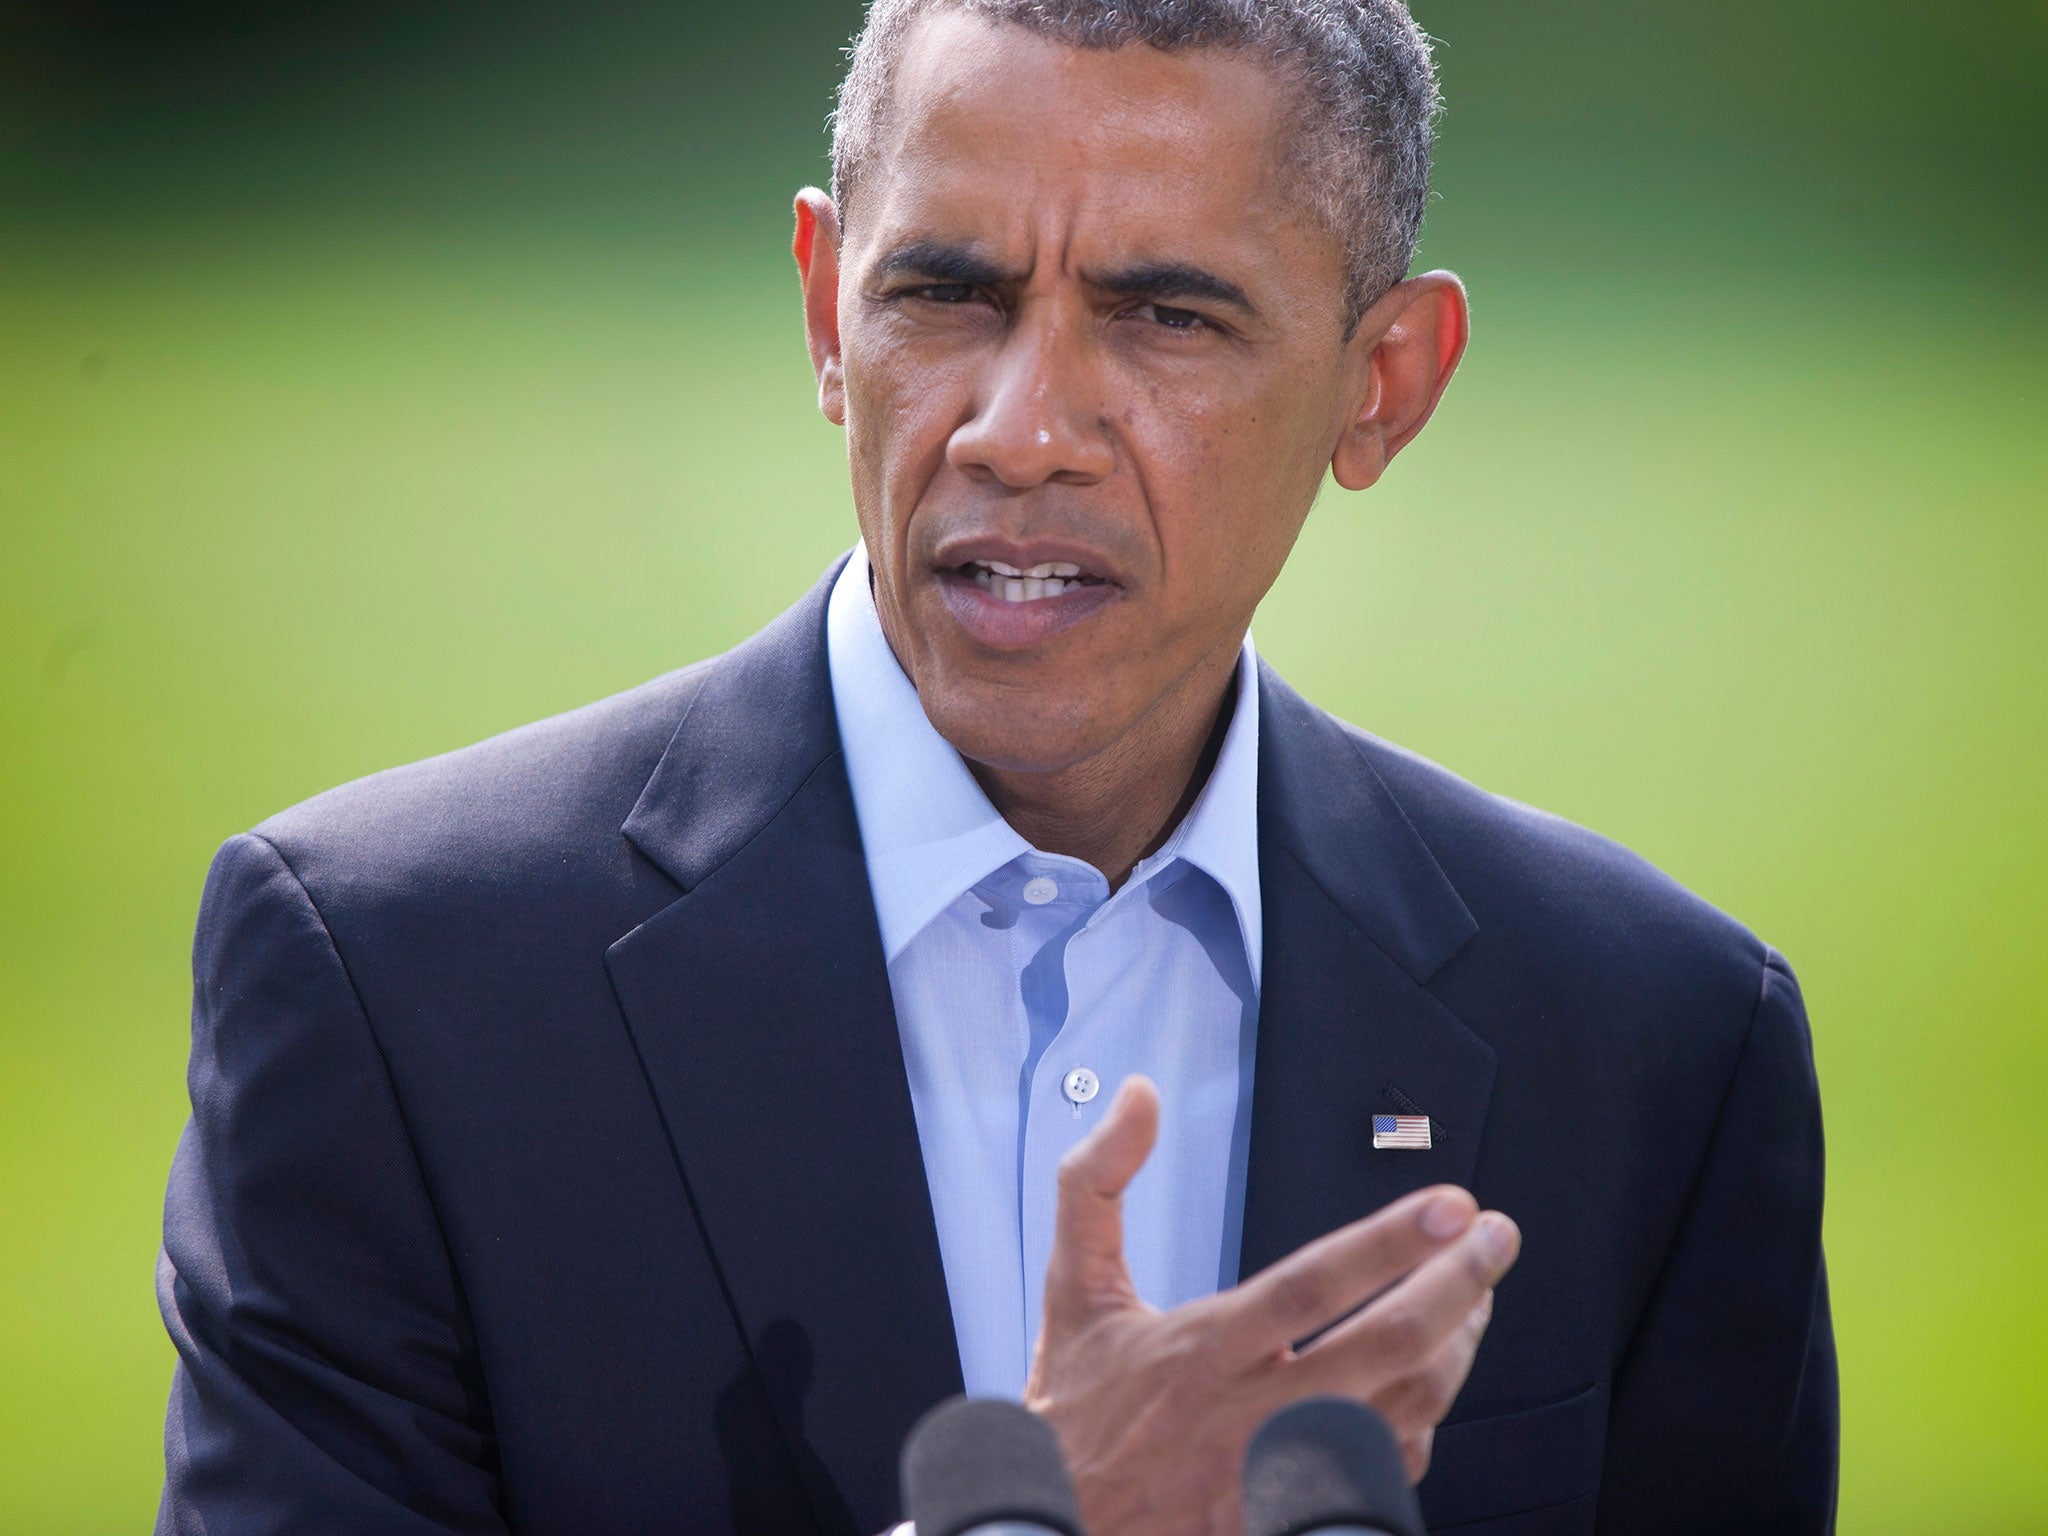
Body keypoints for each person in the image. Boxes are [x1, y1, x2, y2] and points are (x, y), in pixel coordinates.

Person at [154, 2, 1836, 1533]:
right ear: (826, 309)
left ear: (1382, 386)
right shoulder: (386, 984)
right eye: (946, 293)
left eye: (1166, 313)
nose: (1019, 429)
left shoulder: (1661, 1045)